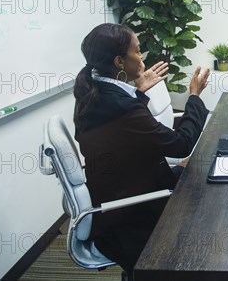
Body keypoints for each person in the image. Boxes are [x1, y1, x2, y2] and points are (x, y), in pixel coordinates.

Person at [73, 23, 210, 273]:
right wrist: (195, 97)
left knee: (194, 172)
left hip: (120, 193)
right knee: (207, 193)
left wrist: (137, 93)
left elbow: (122, 136)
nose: (142, 56)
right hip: (132, 216)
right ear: (119, 62)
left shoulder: (92, 92)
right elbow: (181, 144)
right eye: (137, 51)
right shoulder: (120, 106)